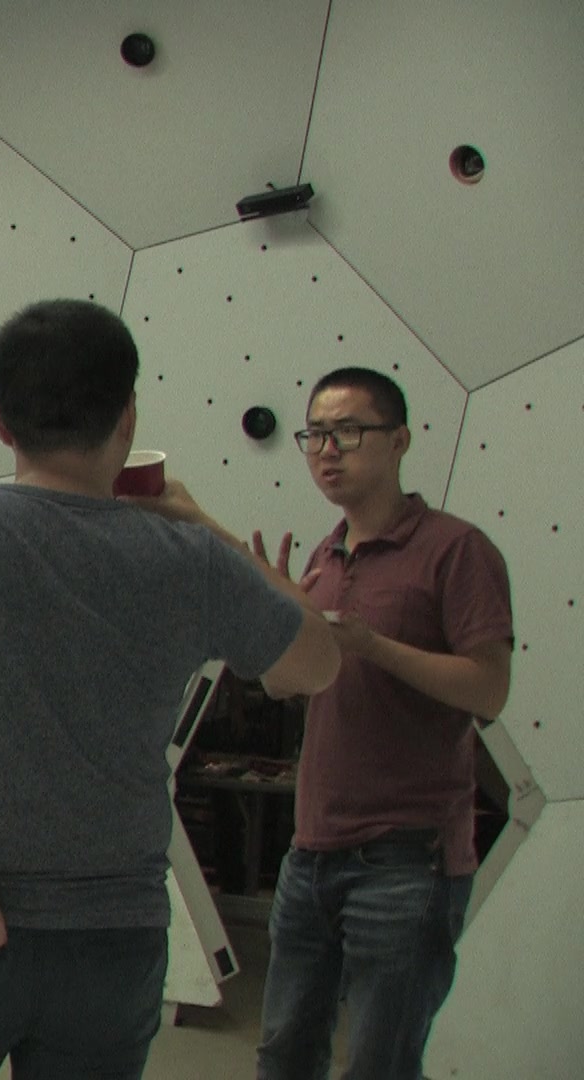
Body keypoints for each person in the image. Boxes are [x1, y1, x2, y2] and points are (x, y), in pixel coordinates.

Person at [0, 298, 341, 1080]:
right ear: (127, 416)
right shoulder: (189, 561)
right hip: (112, 944)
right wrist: (207, 529)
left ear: (0, 421)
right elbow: (316, 665)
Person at [255, 368, 513, 1080]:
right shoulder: (323, 556)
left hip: (406, 860)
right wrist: (278, 628)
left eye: (347, 431)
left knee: (380, 1063)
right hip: (310, 853)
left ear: (399, 441)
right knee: (282, 1055)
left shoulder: (457, 550)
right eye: (315, 434)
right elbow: (286, 686)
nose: (326, 450)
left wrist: (372, 645)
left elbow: (489, 690)